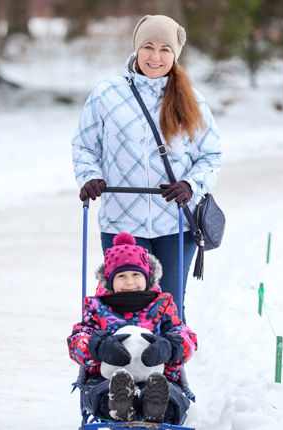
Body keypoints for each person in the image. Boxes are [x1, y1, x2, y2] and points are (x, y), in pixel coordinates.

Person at [72, 14, 221, 314]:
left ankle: (172, 360)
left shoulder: (191, 99)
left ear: (175, 54)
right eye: (148, 47)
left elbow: (211, 156)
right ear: (137, 49)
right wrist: (89, 176)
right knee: (124, 306)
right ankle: (123, 361)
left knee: (169, 308)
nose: (155, 57)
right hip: (122, 223)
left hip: (175, 224)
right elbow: (85, 146)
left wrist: (191, 185)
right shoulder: (107, 95)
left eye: (165, 49)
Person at [68, 232, 197, 424]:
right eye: (121, 276)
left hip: (156, 374)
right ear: (110, 280)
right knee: (98, 393)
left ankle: (154, 406)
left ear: (147, 276)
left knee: (171, 394)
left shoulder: (162, 305)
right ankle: (120, 405)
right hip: (108, 378)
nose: (129, 282)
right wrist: (98, 348)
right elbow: (78, 338)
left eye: (136, 274)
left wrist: (170, 347)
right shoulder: (97, 307)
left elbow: (186, 336)